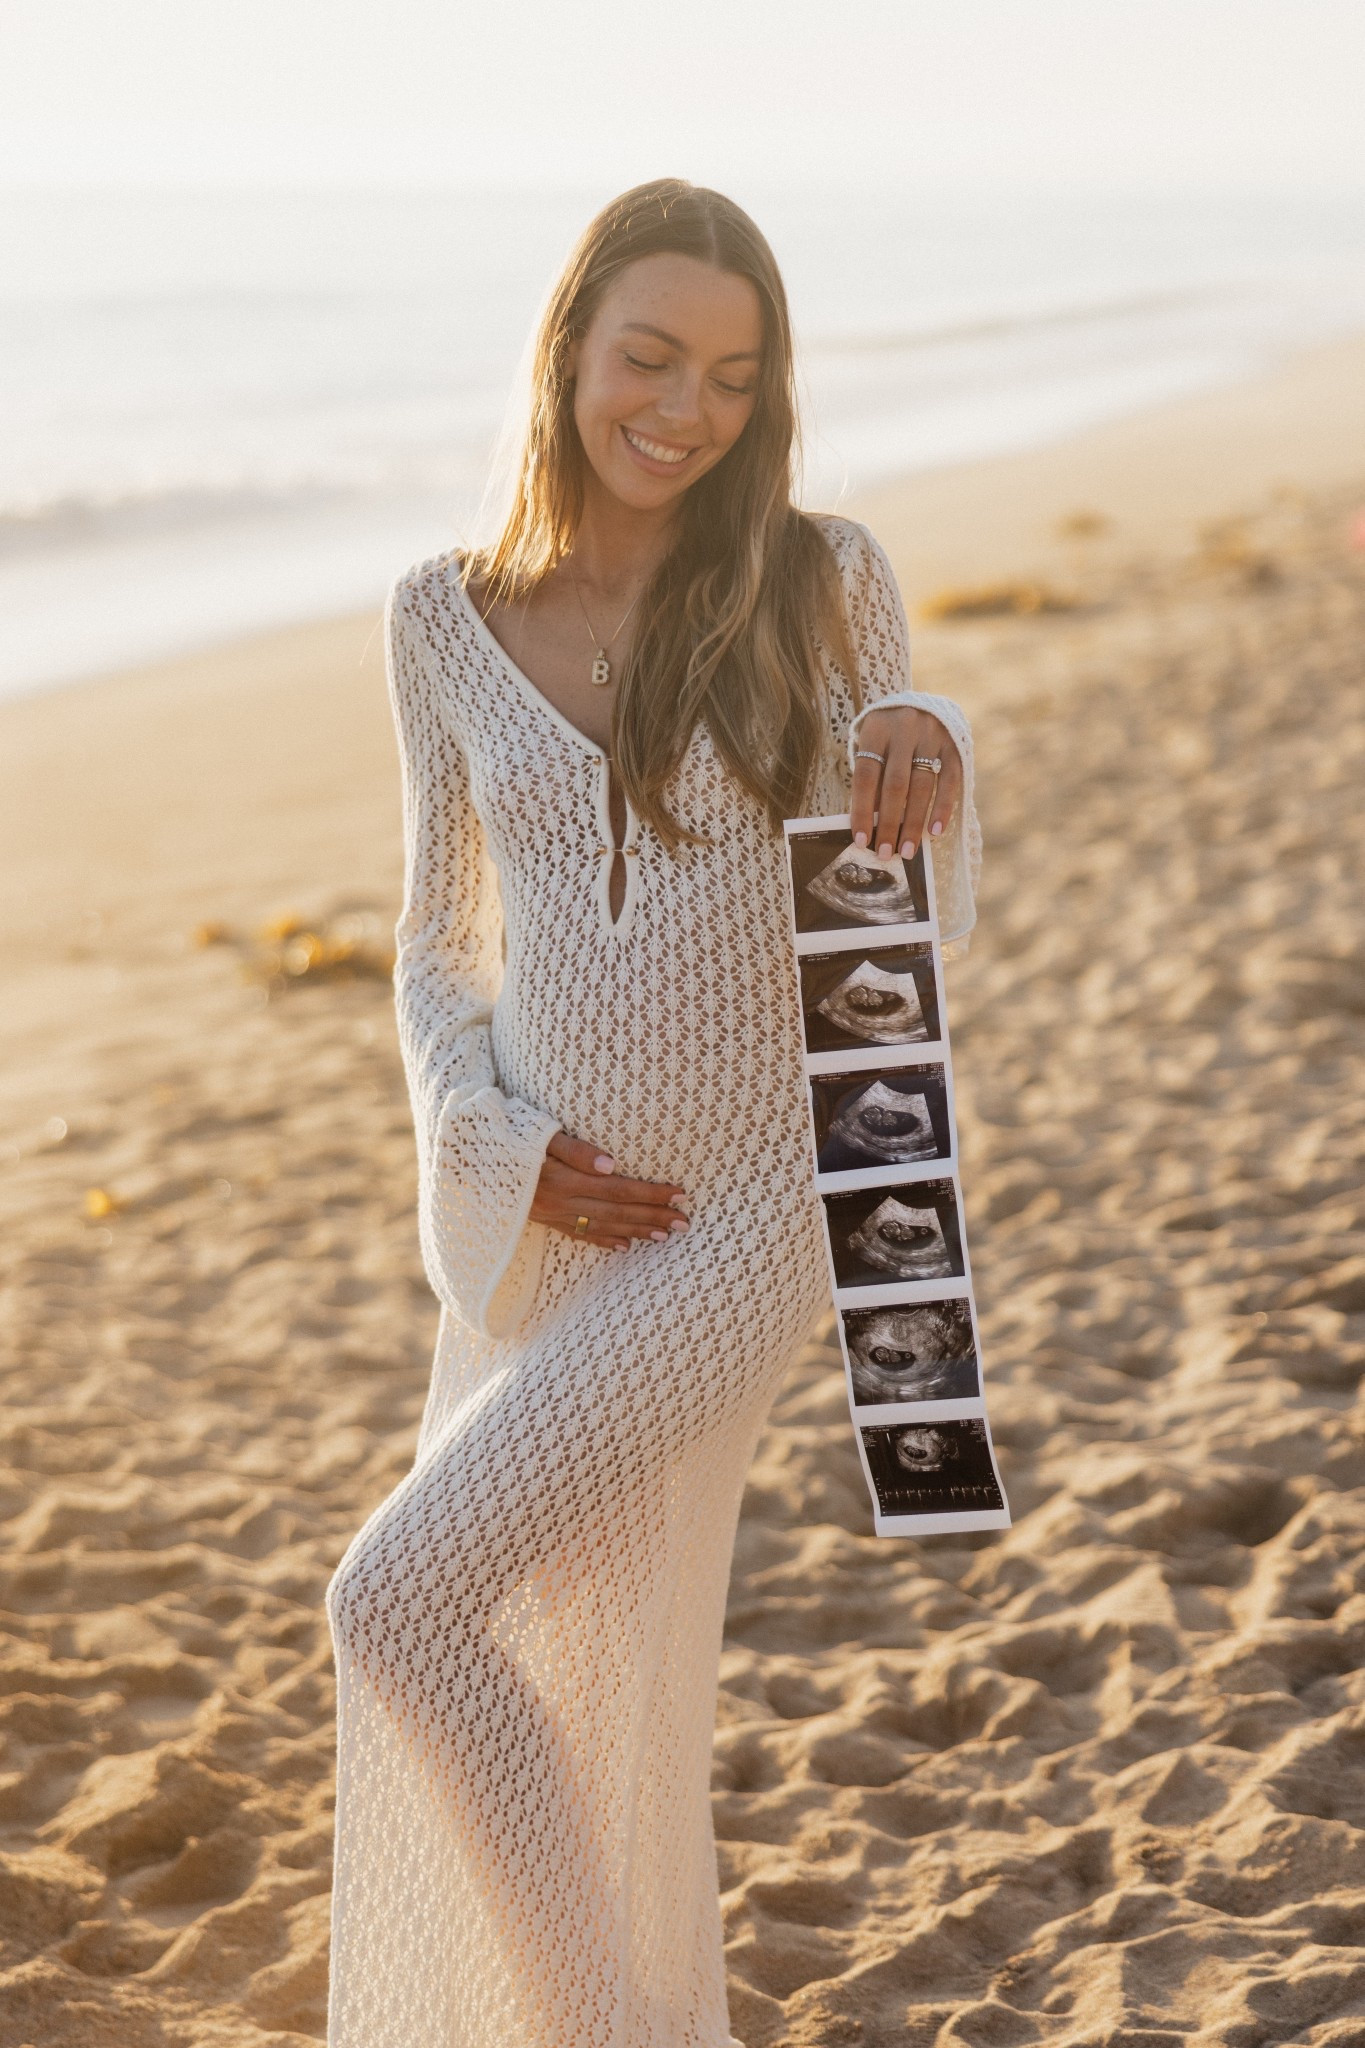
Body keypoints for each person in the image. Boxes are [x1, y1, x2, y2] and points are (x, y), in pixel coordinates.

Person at [326, 178, 980, 2048]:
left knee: (397, 1602)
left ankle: (592, 2022)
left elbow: (902, 874)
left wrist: (931, 738)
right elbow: (433, 945)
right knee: (581, 1645)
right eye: (649, 358)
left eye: (731, 376)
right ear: (569, 353)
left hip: (759, 1207)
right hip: (553, 1216)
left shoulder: (818, 576)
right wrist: (492, 1137)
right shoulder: (441, 619)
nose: (684, 410)